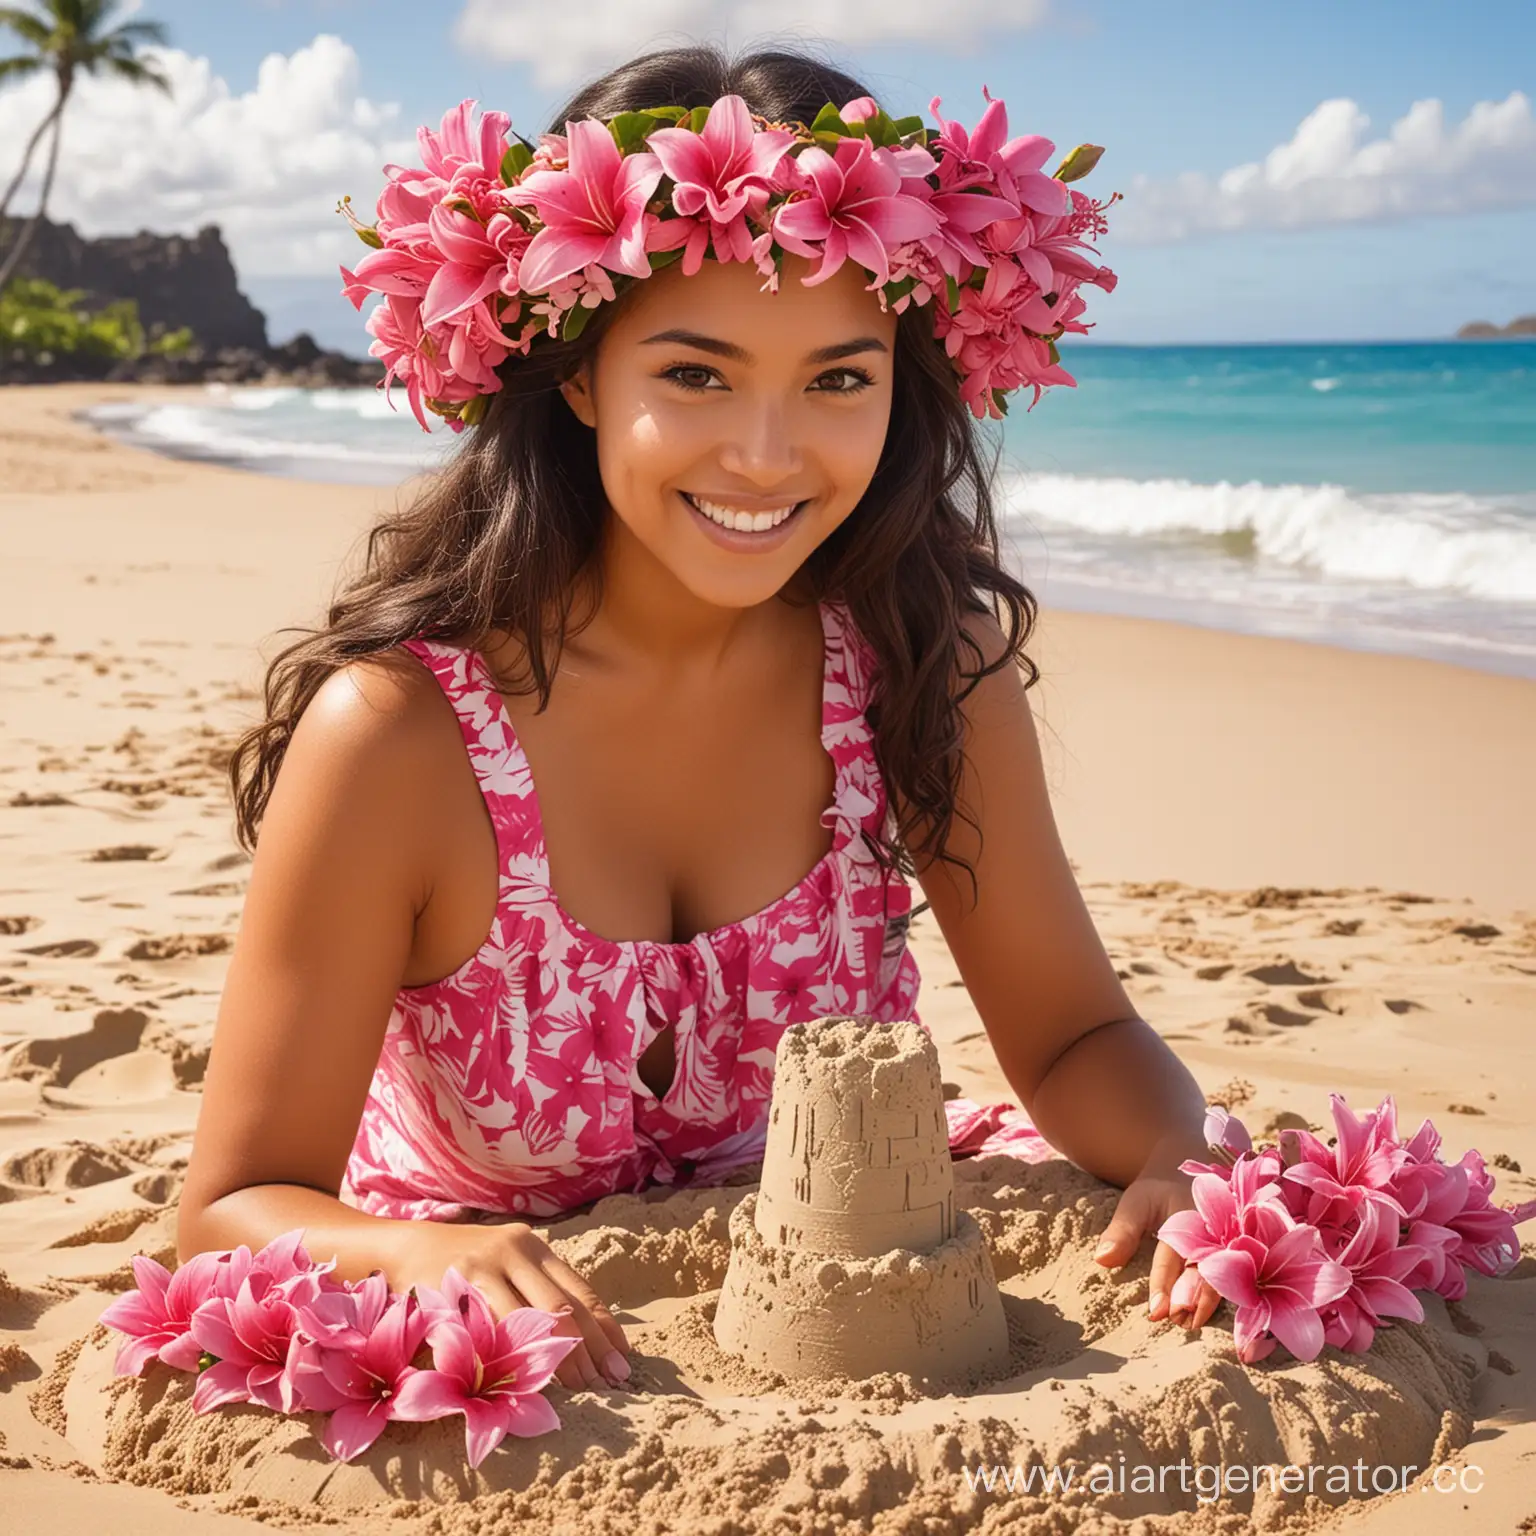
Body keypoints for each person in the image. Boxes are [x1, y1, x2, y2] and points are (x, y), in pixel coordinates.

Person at [177, 43, 1221, 1396]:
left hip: (840, 1304)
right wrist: (415, 1258)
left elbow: (1073, 1038)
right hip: (481, 1362)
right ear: (575, 373)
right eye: (699, 375)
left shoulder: (920, 664)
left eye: (841, 379)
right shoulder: (395, 738)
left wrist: (1183, 1148)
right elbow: (229, 1213)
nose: (770, 454)